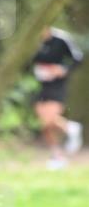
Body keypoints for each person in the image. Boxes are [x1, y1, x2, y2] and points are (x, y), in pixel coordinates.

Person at [32, 26, 83, 169]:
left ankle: (70, 127)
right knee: (44, 124)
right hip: (41, 85)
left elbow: (78, 58)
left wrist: (63, 70)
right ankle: (58, 156)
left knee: (49, 120)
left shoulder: (61, 38)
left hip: (57, 86)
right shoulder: (32, 40)